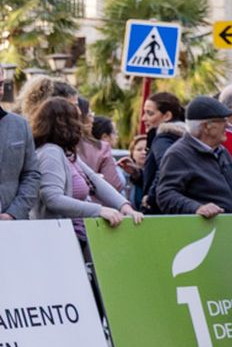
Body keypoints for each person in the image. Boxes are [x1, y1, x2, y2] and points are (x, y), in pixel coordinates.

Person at [30, 97, 142, 251]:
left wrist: (124, 206)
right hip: (58, 242)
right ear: (64, 124)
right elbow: (52, 198)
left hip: (75, 238)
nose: (81, 125)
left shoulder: (65, 153)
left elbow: (94, 180)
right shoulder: (51, 152)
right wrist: (99, 210)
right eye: (76, 119)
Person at [155, 97, 232, 220]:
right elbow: (166, 194)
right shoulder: (178, 155)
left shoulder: (221, 151)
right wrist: (196, 208)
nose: (227, 125)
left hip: (227, 229)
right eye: (222, 120)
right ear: (207, 126)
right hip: (204, 235)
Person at [140, 91, 187, 214]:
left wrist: (150, 198)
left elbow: (167, 168)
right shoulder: (183, 138)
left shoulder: (164, 138)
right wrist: (137, 174)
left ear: (167, 116)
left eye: (150, 114)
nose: (143, 118)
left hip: (161, 212)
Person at [0, 97, 42, 221]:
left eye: (1, 85)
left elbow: (31, 174)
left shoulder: (20, 125)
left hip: (13, 225)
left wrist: (13, 213)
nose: (1, 91)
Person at [73, 98, 123, 194]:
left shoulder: (56, 145)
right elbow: (114, 184)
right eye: (90, 114)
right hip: (100, 206)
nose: (92, 119)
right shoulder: (101, 149)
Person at [121, 134, 149, 211]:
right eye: (139, 149)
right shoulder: (123, 176)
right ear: (132, 153)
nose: (143, 152)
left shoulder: (157, 175)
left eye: (147, 149)